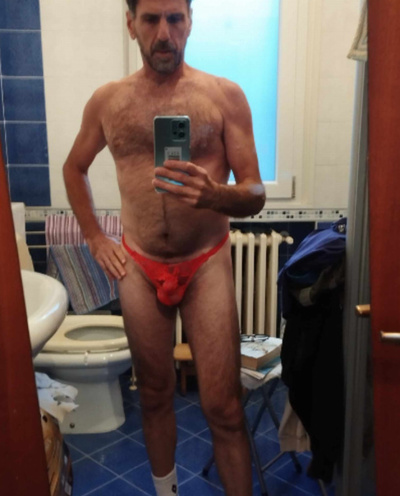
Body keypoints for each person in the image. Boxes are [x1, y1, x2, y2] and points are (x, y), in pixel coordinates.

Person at [63, 0, 266, 494]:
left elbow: (256, 191)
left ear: (190, 21)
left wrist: (217, 195)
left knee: (224, 406)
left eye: (175, 18)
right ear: (130, 23)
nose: (163, 33)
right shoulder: (108, 101)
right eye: (151, 19)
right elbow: (74, 167)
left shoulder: (223, 96)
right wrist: (95, 236)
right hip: (139, 264)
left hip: (206, 263)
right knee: (154, 396)